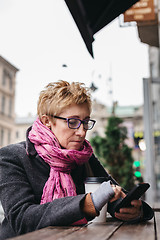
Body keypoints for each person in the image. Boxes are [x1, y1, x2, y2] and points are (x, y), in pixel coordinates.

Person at [0, 80, 153, 239]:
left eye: (86, 122)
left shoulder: (84, 156)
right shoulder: (11, 157)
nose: (82, 132)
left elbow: (113, 195)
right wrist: (85, 204)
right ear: (47, 121)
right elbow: (21, 219)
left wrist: (135, 210)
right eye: (73, 122)